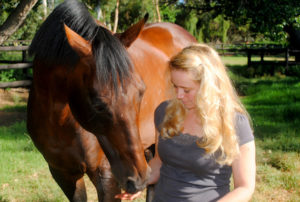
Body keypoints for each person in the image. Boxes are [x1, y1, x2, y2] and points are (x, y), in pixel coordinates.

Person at [115, 44, 256, 202]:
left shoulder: (233, 124)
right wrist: (140, 183)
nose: (179, 95)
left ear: (208, 87)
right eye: (175, 87)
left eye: (187, 90)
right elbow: (159, 162)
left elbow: (245, 187)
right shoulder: (164, 113)